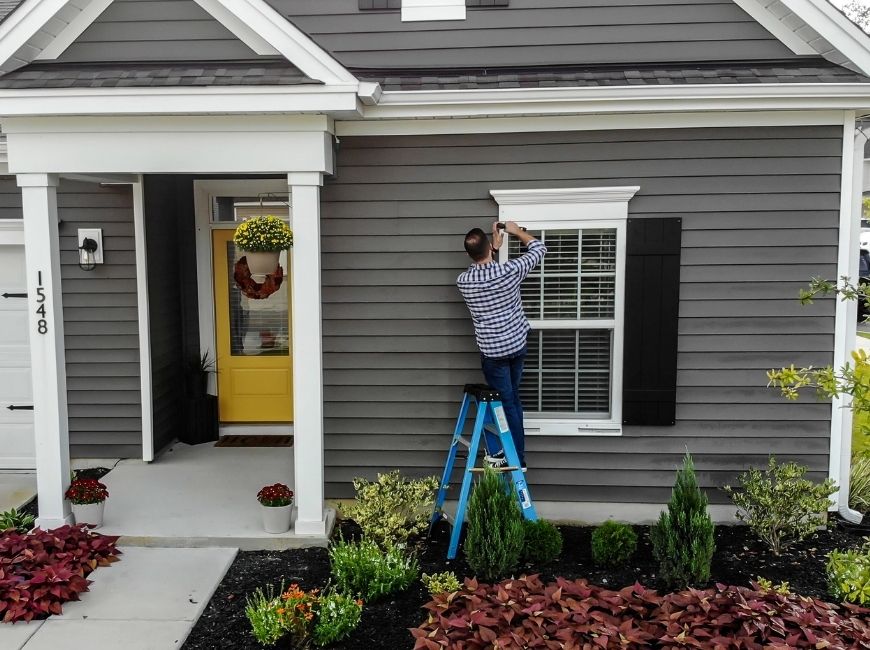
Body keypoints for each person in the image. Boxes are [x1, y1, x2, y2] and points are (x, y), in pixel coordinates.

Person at [456, 221, 546, 468]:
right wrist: (516, 231)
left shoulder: (464, 282)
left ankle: (515, 457)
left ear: (468, 255)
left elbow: (481, 265)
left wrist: (490, 249)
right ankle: (517, 456)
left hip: (493, 353)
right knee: (512, 400)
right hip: (516, 346)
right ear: (490, 247)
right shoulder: (510, 272)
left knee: (507, 402)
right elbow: (539, 249)